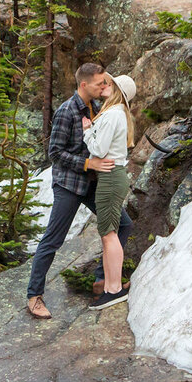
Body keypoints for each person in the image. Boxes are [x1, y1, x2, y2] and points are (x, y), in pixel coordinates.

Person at [25, 63, 134, 319]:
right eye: (99, 84)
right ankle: (34, 296)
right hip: (69, 185)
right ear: (84, 85)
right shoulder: (66, 111)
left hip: (92, 183)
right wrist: (88, 163)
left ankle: (102, 281)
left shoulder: (97, 107)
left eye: (105, 83)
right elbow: (55, 153)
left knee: (125, 225)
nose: (104, 87)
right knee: (53, 239)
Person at [82, 74, 136, 310]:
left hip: (110, 177)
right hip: (113, 177)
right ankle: (109, 287)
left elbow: (99, 149)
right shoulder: (117, 113)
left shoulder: (113, 113)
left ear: (116, 90)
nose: (104, 85)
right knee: (108, 233)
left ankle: (113, 290)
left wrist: (87, 131)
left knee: (109, 234)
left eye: (109, 84)